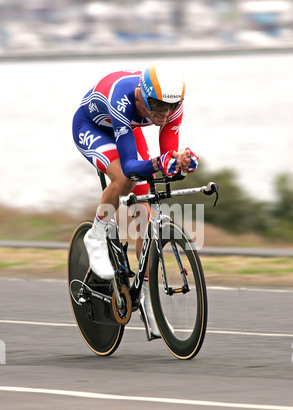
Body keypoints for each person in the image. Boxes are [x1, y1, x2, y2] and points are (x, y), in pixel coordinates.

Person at [72, 64, 198, 337]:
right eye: (156, 106)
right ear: (142, 95)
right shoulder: (123, 98)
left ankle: (147, 296)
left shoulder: (169, 108)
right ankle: (95, 235)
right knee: (125, 180)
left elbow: (167, 159)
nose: (163, 115)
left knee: (147, 209)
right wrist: (160, 162)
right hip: (93, 126)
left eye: (170, 107)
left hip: (127, 127)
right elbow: (130, 166)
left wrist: (181, 163)